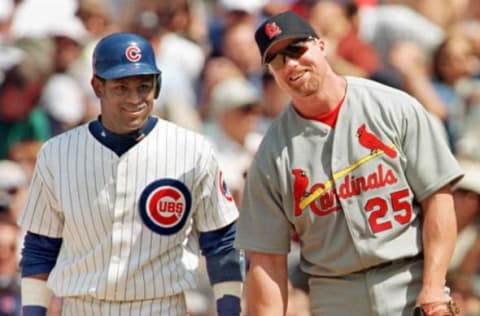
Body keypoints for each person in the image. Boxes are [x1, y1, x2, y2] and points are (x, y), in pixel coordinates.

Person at [234, 11, 463, 316]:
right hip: (335, 296)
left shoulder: (393, 107)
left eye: (296, 49)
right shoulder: (271, 155)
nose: (290, 64)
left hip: (410, 282)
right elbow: (266, 258)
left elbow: (437, 196)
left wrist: (434, 287)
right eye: (276, 60)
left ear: (321, 46)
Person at [17, 32, 244, 316]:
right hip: (82, 307)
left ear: (156, 86)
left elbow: (221, 242)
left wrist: (230, 310)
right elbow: (40, 247)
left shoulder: (193, 149)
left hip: (161, 306)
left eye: (143, 86)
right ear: (97, 86)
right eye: (121, 87)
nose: (134, 98)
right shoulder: (57, 154)